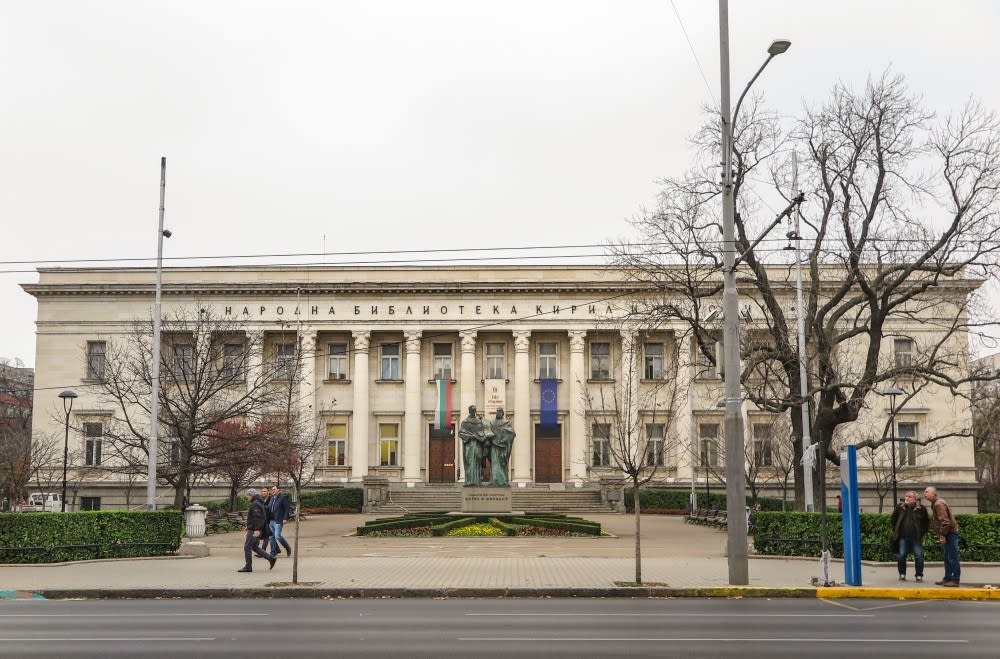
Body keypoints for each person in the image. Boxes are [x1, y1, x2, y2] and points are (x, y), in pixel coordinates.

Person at [923, 486, 960, 587]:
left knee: (952, 557)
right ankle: (947, 578)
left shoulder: (938, 504)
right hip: (948, 533)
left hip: (950, 533)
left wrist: (943, 535)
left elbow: (945, 522)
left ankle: (955, 580)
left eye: (926, 492)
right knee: (947, 557)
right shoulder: (935, 503)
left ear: (933, 494)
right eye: (924, 492)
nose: (924, 494)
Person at [890, 491, 929, 582]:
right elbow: (893, 520)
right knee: (901, 555)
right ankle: (902, 574)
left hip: (916, 538)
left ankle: (919, 575)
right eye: (906, 496)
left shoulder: (921, 509)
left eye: (910, 497)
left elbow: (926, 522)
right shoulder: (900, 507)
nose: (907, 498)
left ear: (915, 499)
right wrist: (896, 531)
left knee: (919, 556)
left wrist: (921, 533)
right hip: (903, 537)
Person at [238, 488, 276, 573]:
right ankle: (271, 558)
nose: (247, 497)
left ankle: (248, 567)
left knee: (247, 547)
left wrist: (257, 529)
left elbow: (258, 517)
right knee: (254, 547)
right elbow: (256, 517)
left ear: (251, 495)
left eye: (248, 496)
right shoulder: (258, 502)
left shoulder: (255, 504)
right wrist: (249, 526)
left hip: (255, 530)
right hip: (254, 528)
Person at [458, 405, 489, 486]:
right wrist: (470, 436)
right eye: (472, 410)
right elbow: (461, 433)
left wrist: (480, 437)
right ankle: (469, 481)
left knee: (477, 461)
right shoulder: (465, 422)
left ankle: (477, 481)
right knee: (469, 462)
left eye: (474, 410)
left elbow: (483, 432)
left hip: (478, 445)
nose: (473, 412)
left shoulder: (479, 422)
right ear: (469, 411)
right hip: (470, 445)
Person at [487, 408, 515, 487]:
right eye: (497, 412)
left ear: (502, 413)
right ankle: (494, 480)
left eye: (499, 412)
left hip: (502, 447)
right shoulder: (492, 422)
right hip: (494, 446)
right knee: (494, 463)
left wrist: (503, 440)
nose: (498, 413)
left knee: (502, 463)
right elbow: (488, 431)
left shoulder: (506, 423)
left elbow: (511, 433)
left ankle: (502, 481)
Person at [268, 484, 293, 557]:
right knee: (271, 536)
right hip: (271, 520)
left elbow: (287, 509)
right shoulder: (272, 498)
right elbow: (269, 508)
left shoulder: (283, 498)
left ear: (278, 490)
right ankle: (273, 551)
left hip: (278, 520)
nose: (273, 491)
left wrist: (285, 518)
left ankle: (287, 547)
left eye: (274, 489)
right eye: (272, 489)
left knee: (277, 536)